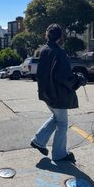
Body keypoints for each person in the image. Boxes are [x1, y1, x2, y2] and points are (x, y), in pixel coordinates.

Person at [30, 24, 86, 163]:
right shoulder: (59, 52)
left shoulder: (44, 50)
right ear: (60, 36)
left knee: (56, 118)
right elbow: (64, 76)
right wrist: (78, 80)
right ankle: (59, 154)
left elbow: (48, 73)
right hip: (57, 94)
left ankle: (38, 141)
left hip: (47, 93)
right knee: (62, 123)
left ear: (47, 35)